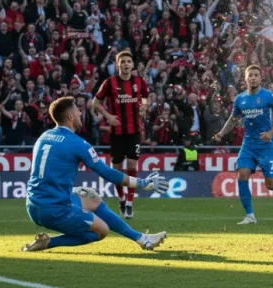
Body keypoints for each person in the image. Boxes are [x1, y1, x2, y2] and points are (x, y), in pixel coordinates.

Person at [22, 97, 167, 252]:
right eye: (77, 109)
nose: (79, 112)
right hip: (54, 210)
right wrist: (143, 183)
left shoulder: (44, 137)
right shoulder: (77, 143)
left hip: (33, 205)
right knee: (102, 230)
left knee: (91, 197)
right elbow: (106, 172)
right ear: (70, 117)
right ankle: (49, 242)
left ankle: (142, 239)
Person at [213, 65, 273, 225]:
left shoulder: (269, 96)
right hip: (248, 144)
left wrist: (271, 132)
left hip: (266, 145)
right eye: (250, 75)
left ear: (260, 78)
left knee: (271, 185)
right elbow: (233, 119)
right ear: (245, 78)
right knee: (242, 174)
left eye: (256, 75)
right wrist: (221, 133)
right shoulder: (240, 99)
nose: (253, 78)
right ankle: (250, 216)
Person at [91, 51, 149, 219]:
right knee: (117, 170)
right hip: (117, 133)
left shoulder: (140, 82)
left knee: (132, 166)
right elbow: (95, 102)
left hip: (134, 132)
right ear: (117, 65)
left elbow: (145, 97)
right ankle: (121, 199)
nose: (125, 64)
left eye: (128, 61)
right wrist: (108, 116)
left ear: (132, 65)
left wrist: (144, 106)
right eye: (122, 61)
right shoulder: (110, 83)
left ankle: (130, 203)